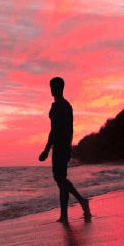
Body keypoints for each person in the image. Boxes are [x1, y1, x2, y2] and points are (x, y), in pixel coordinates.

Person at [39, 77, 91, 222]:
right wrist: (69, 146)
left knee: (59, 178)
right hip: (66, 145)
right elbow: (70, 129)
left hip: (59, 146)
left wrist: (46, 150)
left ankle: (81, 200)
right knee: (62, 180)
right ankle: (64, 216)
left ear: (53, 89)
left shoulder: (56, 106)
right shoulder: (68, 105)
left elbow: (54, 130)